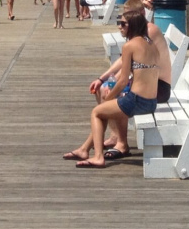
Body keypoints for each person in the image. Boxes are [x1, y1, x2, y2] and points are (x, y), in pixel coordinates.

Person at [63, 11, 159, 168]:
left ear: (132, 26)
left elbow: (122, 81)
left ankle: (98, 157)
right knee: (105, 110)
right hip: (151, 102)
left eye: (123, 24)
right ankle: (84, 149)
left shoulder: (130, 46)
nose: (119, 27)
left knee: (97, 112)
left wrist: (108, 99)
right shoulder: (151, 44)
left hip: (137, 100)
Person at [88, 0, 172, 159]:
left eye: (126, 19)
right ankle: (115, 136)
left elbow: (128, 69)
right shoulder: (138, 35)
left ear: (139, 15)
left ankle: (121, 143)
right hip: (146, 83)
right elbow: (126, 62)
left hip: (158, 87)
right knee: (103, 88)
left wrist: (111, 84)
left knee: (109, 93)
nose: (123, 23)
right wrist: (102, 78)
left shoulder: (149, 30)